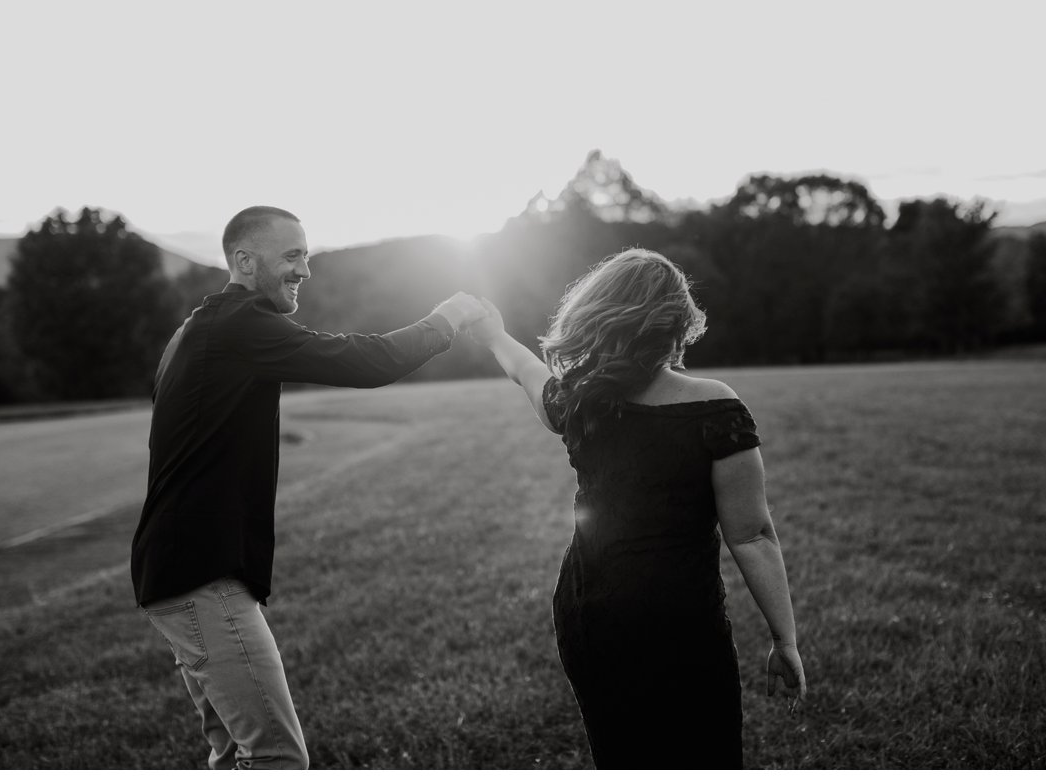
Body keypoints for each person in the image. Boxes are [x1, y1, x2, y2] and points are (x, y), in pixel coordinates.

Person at [130, 205, 486, 769]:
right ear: (246, 261)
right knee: (276, 759)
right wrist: (447, 318)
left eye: (306, 255)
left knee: (235, 754)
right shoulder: (238, 324)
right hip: (199, 572)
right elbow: (367, 361)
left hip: (178, 570)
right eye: (292, 256)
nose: (305, 269)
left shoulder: (200, 328)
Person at [468, 248, 806, 768]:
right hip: (680, 623)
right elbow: (752, 535)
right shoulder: (715, 406)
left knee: (621, 754)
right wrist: (785, 639)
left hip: (587, 613)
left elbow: (523, 371)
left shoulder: (579, 401)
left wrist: (494, 334)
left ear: (596, 318)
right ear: (677, 323)